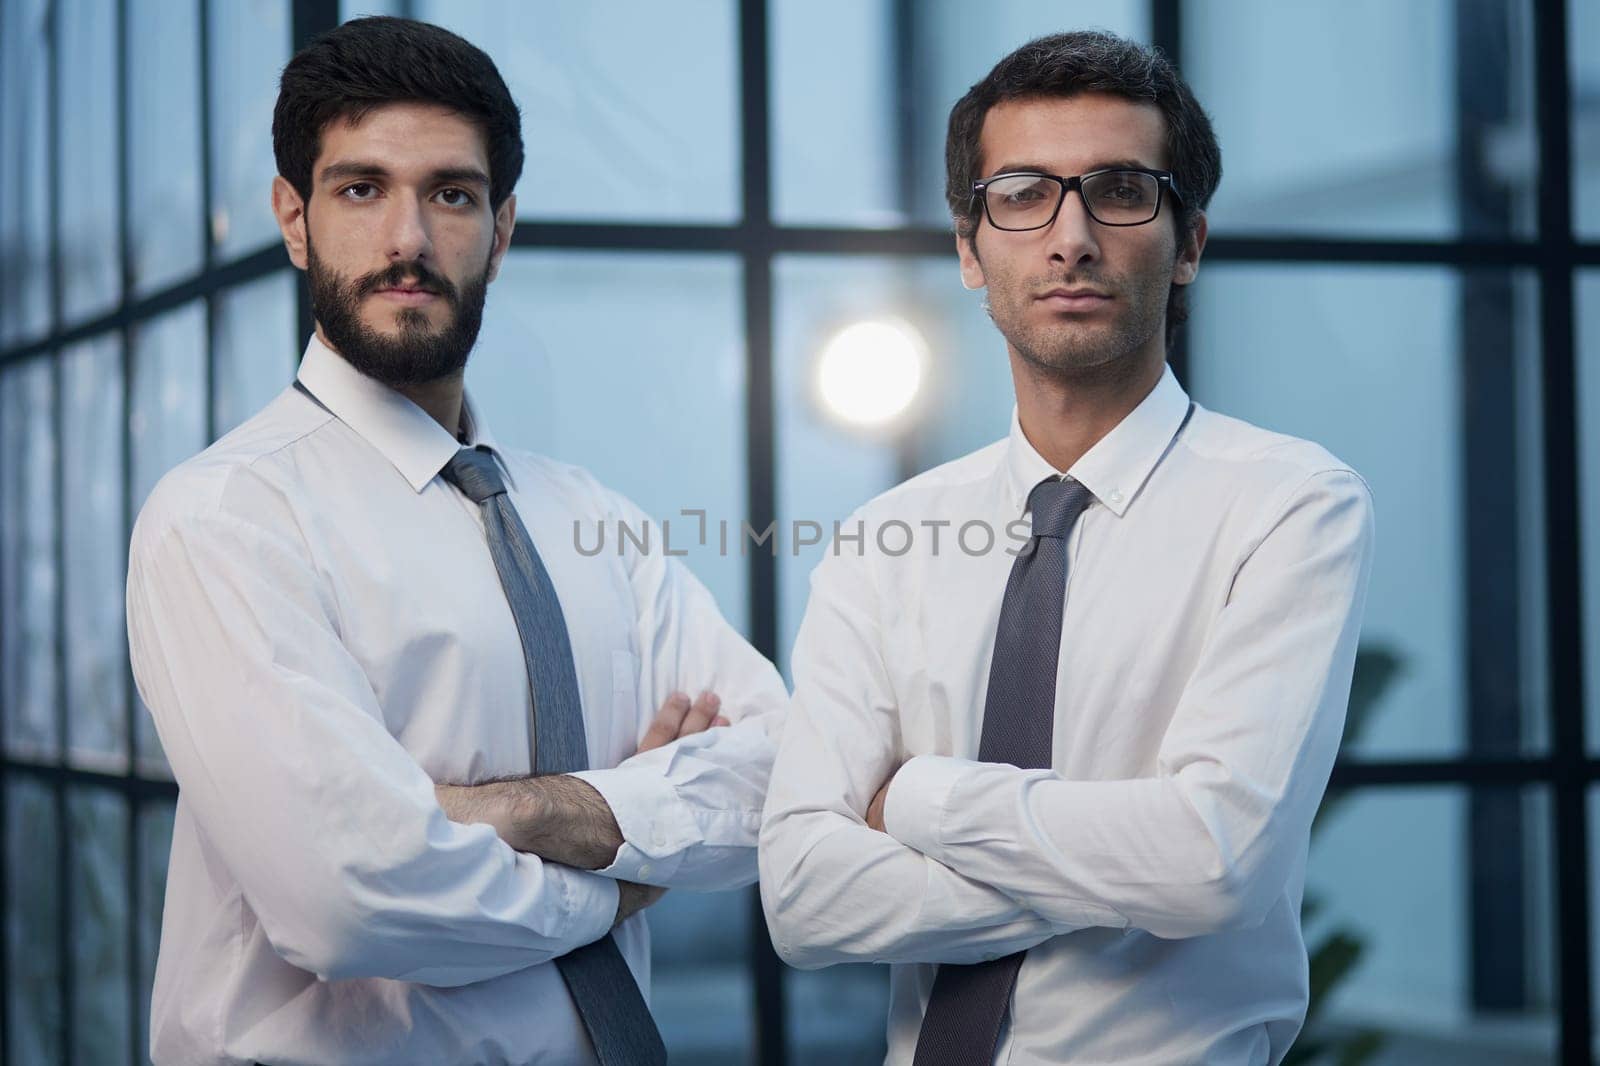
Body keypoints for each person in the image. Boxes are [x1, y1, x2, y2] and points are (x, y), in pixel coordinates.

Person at [126, 17, 785, 1065]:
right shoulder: (225, 519)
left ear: (502, 225)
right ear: (292, 219)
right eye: (359, 189)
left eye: (451, 193)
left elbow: (778, 776)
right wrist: (630, 867)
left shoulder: (594, 519)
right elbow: (346, 898)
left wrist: (506, 812)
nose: (407, 240)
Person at [758, 29, 1375, 1066]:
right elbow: (807, 899)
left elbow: (1214, 863)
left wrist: (914, 798)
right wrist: (1119, 867)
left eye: (1120, 190)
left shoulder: (1289, 505)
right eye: (1022, 194)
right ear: (968, 249)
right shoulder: (885, 537)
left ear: (1187, 243)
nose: (1070, 236)